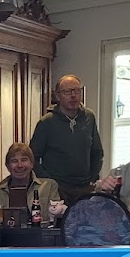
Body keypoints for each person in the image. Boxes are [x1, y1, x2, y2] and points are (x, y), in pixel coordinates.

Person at [30, 75, 104, 204]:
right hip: (57, 189)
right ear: (58, 96)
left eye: (77, 91)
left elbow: (97, 152)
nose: (73, 96)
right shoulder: (47, 122)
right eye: (68, 92)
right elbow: (32, 157)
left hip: (85, 187)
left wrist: (93, 178)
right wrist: (49, 182)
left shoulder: (89, 117)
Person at [0, 142, 66, 222]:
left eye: (24, 160)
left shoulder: (49, 186)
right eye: (14, 161)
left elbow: (56, 219)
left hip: (41, 230)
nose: (20, 165)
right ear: (8, 166)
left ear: (32, 164)